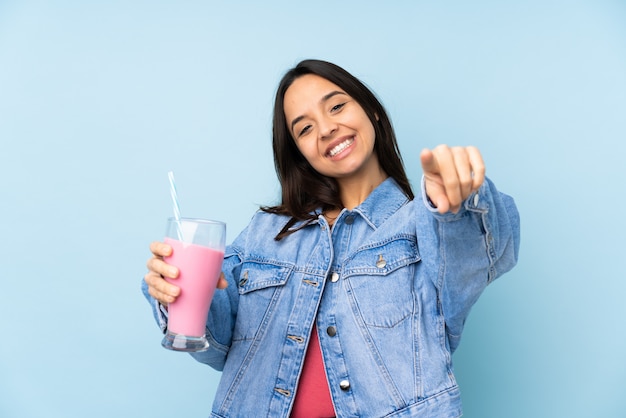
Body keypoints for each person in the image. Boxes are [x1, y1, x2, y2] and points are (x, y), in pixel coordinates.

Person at [143, 59, 520, 418]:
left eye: (336, 107)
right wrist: (174, 290)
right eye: (304, 129)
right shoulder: (265, 233)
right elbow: (216, 341)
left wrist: (459, 200)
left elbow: (483, 252)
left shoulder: (424, 221)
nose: (325, 129)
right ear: (301, 154)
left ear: (371, 110)